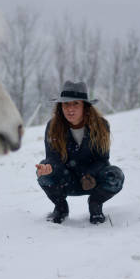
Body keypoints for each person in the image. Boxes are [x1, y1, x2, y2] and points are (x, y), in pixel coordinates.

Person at [35, 81, 124, 224]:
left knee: (116, 175)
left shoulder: (101, 125)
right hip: (66, 180)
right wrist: (48, 168)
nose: (70, 109)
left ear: (85, 106)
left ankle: (95, 205)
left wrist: (87, 175)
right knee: (42, 173)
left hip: (92, 180)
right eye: (66, 104)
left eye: (75, 103)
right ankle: (61, 208)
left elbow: (103, 160)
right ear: (60, 107)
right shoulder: (53, 126)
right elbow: (52, 158)